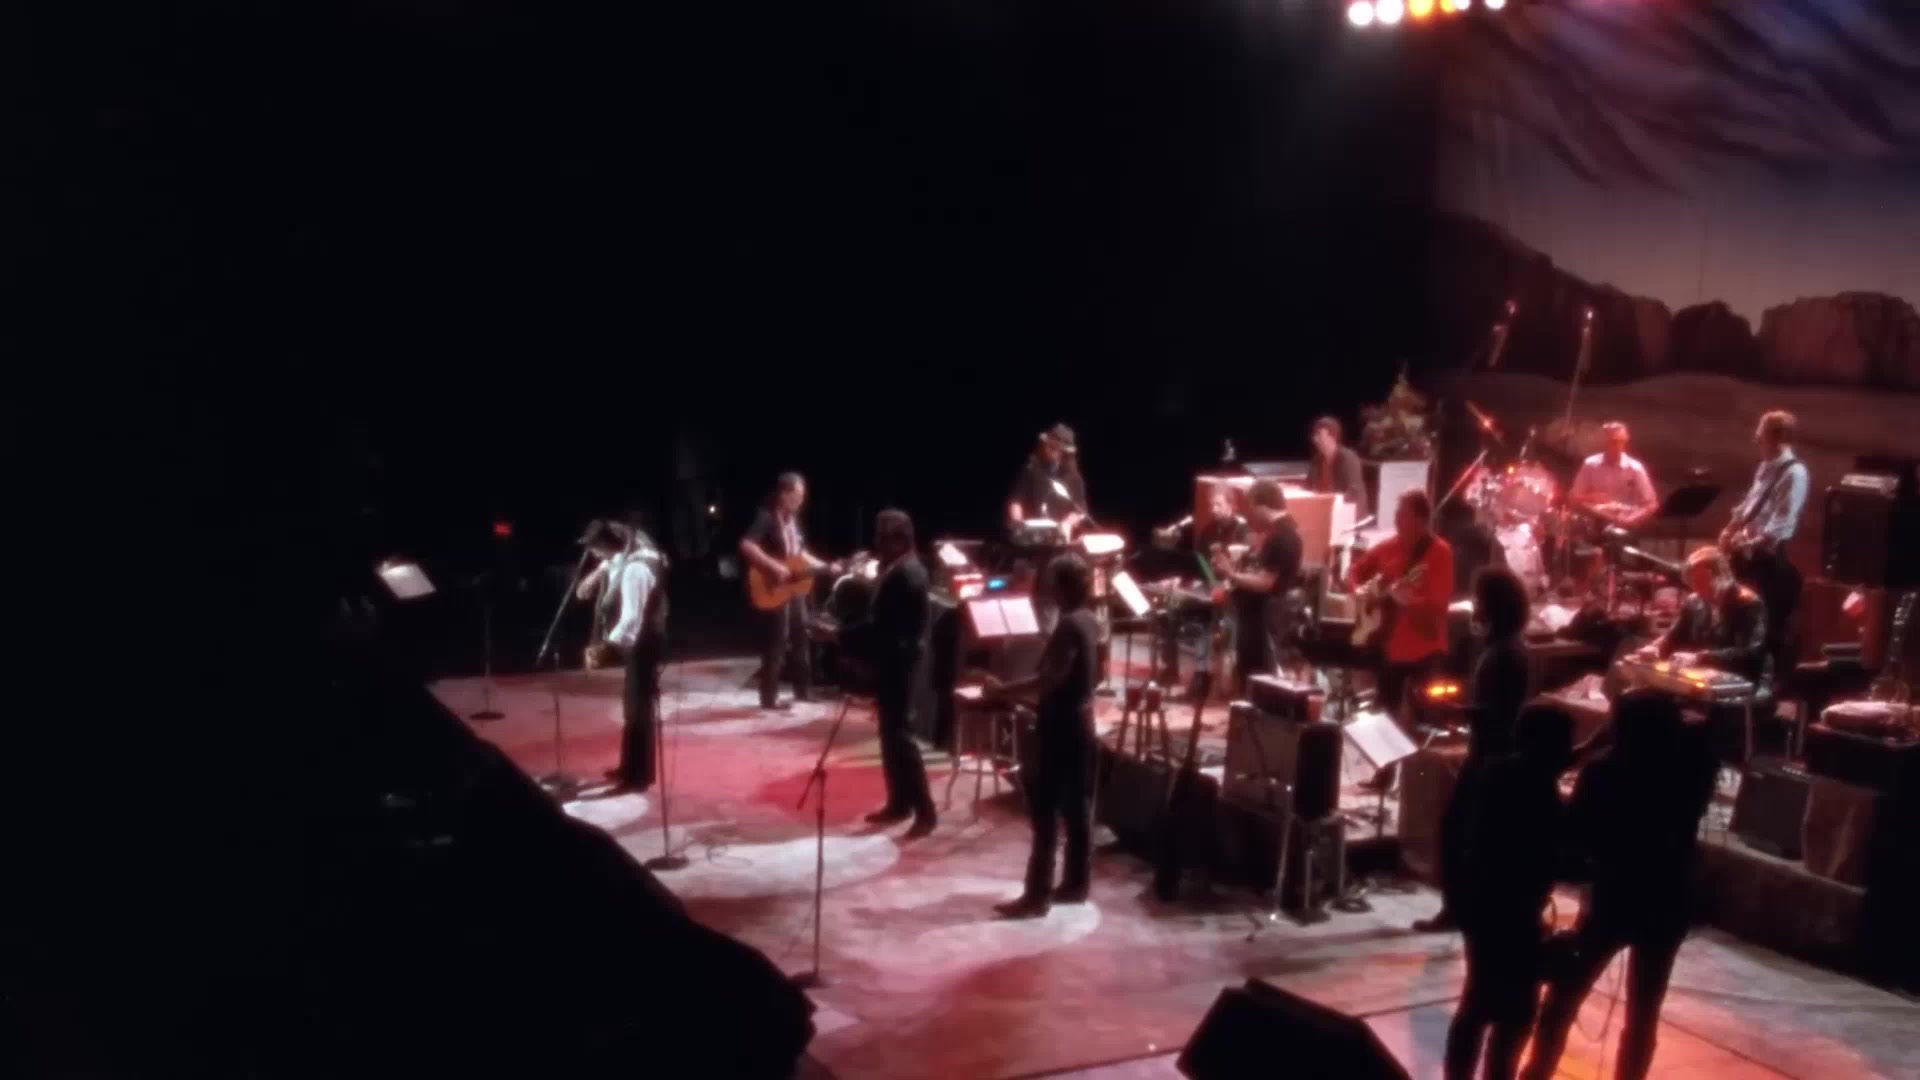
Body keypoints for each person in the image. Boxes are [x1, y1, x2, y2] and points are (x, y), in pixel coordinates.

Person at [1521, 690, 1718, 1080]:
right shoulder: (1693, 769)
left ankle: (1537, 1072)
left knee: (1564, 998)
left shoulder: (1604, 771)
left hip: (1612, 897)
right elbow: (1704, 736)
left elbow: (1574, 836)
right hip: (1668, 899)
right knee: (1644, 1012)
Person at [1444, 703, 1573, 1080]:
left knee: (1477, 1003)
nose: (1567, 751)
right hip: (1513, 910)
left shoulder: (1498, 773)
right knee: (1513, 1015)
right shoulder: (1539, 788)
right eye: (1564, 743)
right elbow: (1552, 851)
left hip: (1482, 904)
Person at [1415, 566, 1533, 934]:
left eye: (1480, 600)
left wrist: (1452, 711)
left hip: (1490, 757)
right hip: (1492, 753)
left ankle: (1456, 910)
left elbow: (1498, 713)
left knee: (1456, 832)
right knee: (1467, 833)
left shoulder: (1504, 654)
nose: (1474, 606)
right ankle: (1463, 909)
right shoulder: (1506, 648)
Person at [984, 554, 1102, 919]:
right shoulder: (1091, 620)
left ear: (1060, 587)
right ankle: (1076, 885)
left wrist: (1003, 689)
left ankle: (1037, 896)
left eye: (1051, 583)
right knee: (1077, 809)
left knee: (1045, 812)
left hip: (1061, 728)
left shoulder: (1068, 625)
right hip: (1083, 722)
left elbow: (1050, 678)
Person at [837, 509, 937, 837]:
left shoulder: (905, 575)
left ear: (900, 540)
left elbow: (881, 628)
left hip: (901, 663)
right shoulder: (899, 569)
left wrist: (839, 635)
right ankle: (899, 802)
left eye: (882, 537)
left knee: (900, 737)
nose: (876, 542)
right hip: (894, 660)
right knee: (890, 735)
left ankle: (925, 812)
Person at [1347, 489, 1455, 744]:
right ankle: (1386, 764)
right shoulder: (1388, 547)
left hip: (1425, 646)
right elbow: (1354, 571)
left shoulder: (1440, 553)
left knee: (1423, 718)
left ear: (1420, 519)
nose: (1395, 519)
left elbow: (1439, 603)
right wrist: (1361, 593)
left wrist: (1409, 601)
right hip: (1391, 645)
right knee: (1385, 715)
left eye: (1401, 514)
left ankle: (1419, 764)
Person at [578, 519, 668, 793]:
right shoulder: (630, 549)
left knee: (638, 710)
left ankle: (637, 776)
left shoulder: (635, 570)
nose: (593, 555)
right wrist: (597, 574)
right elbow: (613, 561)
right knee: (632, 707)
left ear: (609, 545)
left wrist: (606, 648)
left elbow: (631, 619)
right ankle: (630, 767)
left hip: (644, 642)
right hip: (642, 641)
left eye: (596, 549)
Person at [1719, 410, 1809, 672]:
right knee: (1736, 617)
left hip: (1768, 561)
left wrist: (1746, 544)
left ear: (1777, 437)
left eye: (1761, 433)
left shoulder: (1794, 473)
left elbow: (1781, 524)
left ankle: (1764, 679)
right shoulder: (1765, 468)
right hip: (1747, 556)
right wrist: (1730, 529)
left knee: (1764, 626)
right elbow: (1749, 506)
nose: (1756, 438)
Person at [739, 473, 826, 710]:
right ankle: (769, 696)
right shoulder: (766, 517)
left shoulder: (795, 522)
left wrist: (825, 566)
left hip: (794, 588)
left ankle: (803, 690)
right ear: (783, 494)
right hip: (774, 587)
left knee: (801, 636)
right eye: (797, 496)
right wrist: (773, 566)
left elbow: (801, 554)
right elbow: (747, 545)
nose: (800, 501)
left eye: (802, 497)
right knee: (777, 640)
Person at [1211, 480, 1303, 694]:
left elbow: (1266, 582)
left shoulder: (1282, 536)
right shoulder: (1283, 531)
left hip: (1265, 620)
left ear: (1262, 506)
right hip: (1263, 617)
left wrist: (1231, 574)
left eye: (1252, 507)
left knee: (1260, 680)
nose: (1251, 514)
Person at [1569, 421, 1658, 531]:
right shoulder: (1590, 464)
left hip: (1624, 524)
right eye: (1613, 442)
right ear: (1604, 442)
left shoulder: (1635, 468)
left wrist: (1631, 519)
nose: (1618, 446)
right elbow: (1573, 497)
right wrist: (1591, 497)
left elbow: (1651, 504)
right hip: (1594, 522)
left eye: (1622, 441)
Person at [1008, 422, 1089, 539]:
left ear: (1064, 452)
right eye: (1048, 445)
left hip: (1062, 536)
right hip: (1033, 535)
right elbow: (1017, 501)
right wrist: (1018, 524)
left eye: (1054, 447)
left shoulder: (1074, 477)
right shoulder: (1031, 470)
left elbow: (1080, 510)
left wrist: (1066, 524)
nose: (1048, 450)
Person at [1308, 416, 1370, 518]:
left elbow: (1354, 491)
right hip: (1325, 510)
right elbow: (1310, 486)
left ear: (1332, 436)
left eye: (1319, 435)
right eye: (1315, 435)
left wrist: (1331, 502)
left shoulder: (1348, 458)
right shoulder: (1317, 460)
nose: (1315, 439)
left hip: (1350, 512)